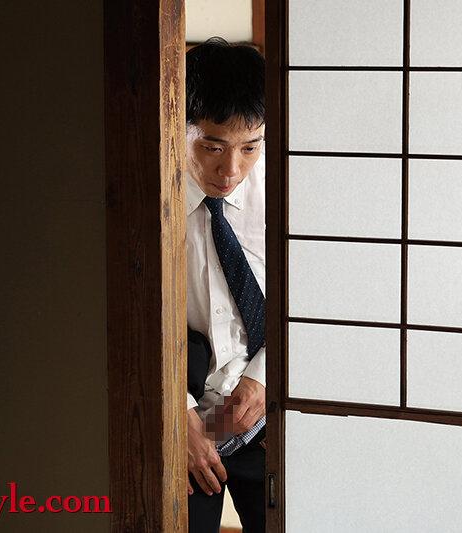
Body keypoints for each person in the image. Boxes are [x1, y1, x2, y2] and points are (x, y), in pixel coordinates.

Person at [184, 37, 267, 533]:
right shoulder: (142, 196)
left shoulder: (283, 189)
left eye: (250, 147)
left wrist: (264, 376)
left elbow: (325, 297)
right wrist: (178, 415)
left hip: (268, 407)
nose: (231, 170)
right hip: (187, 412)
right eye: (212, 147)